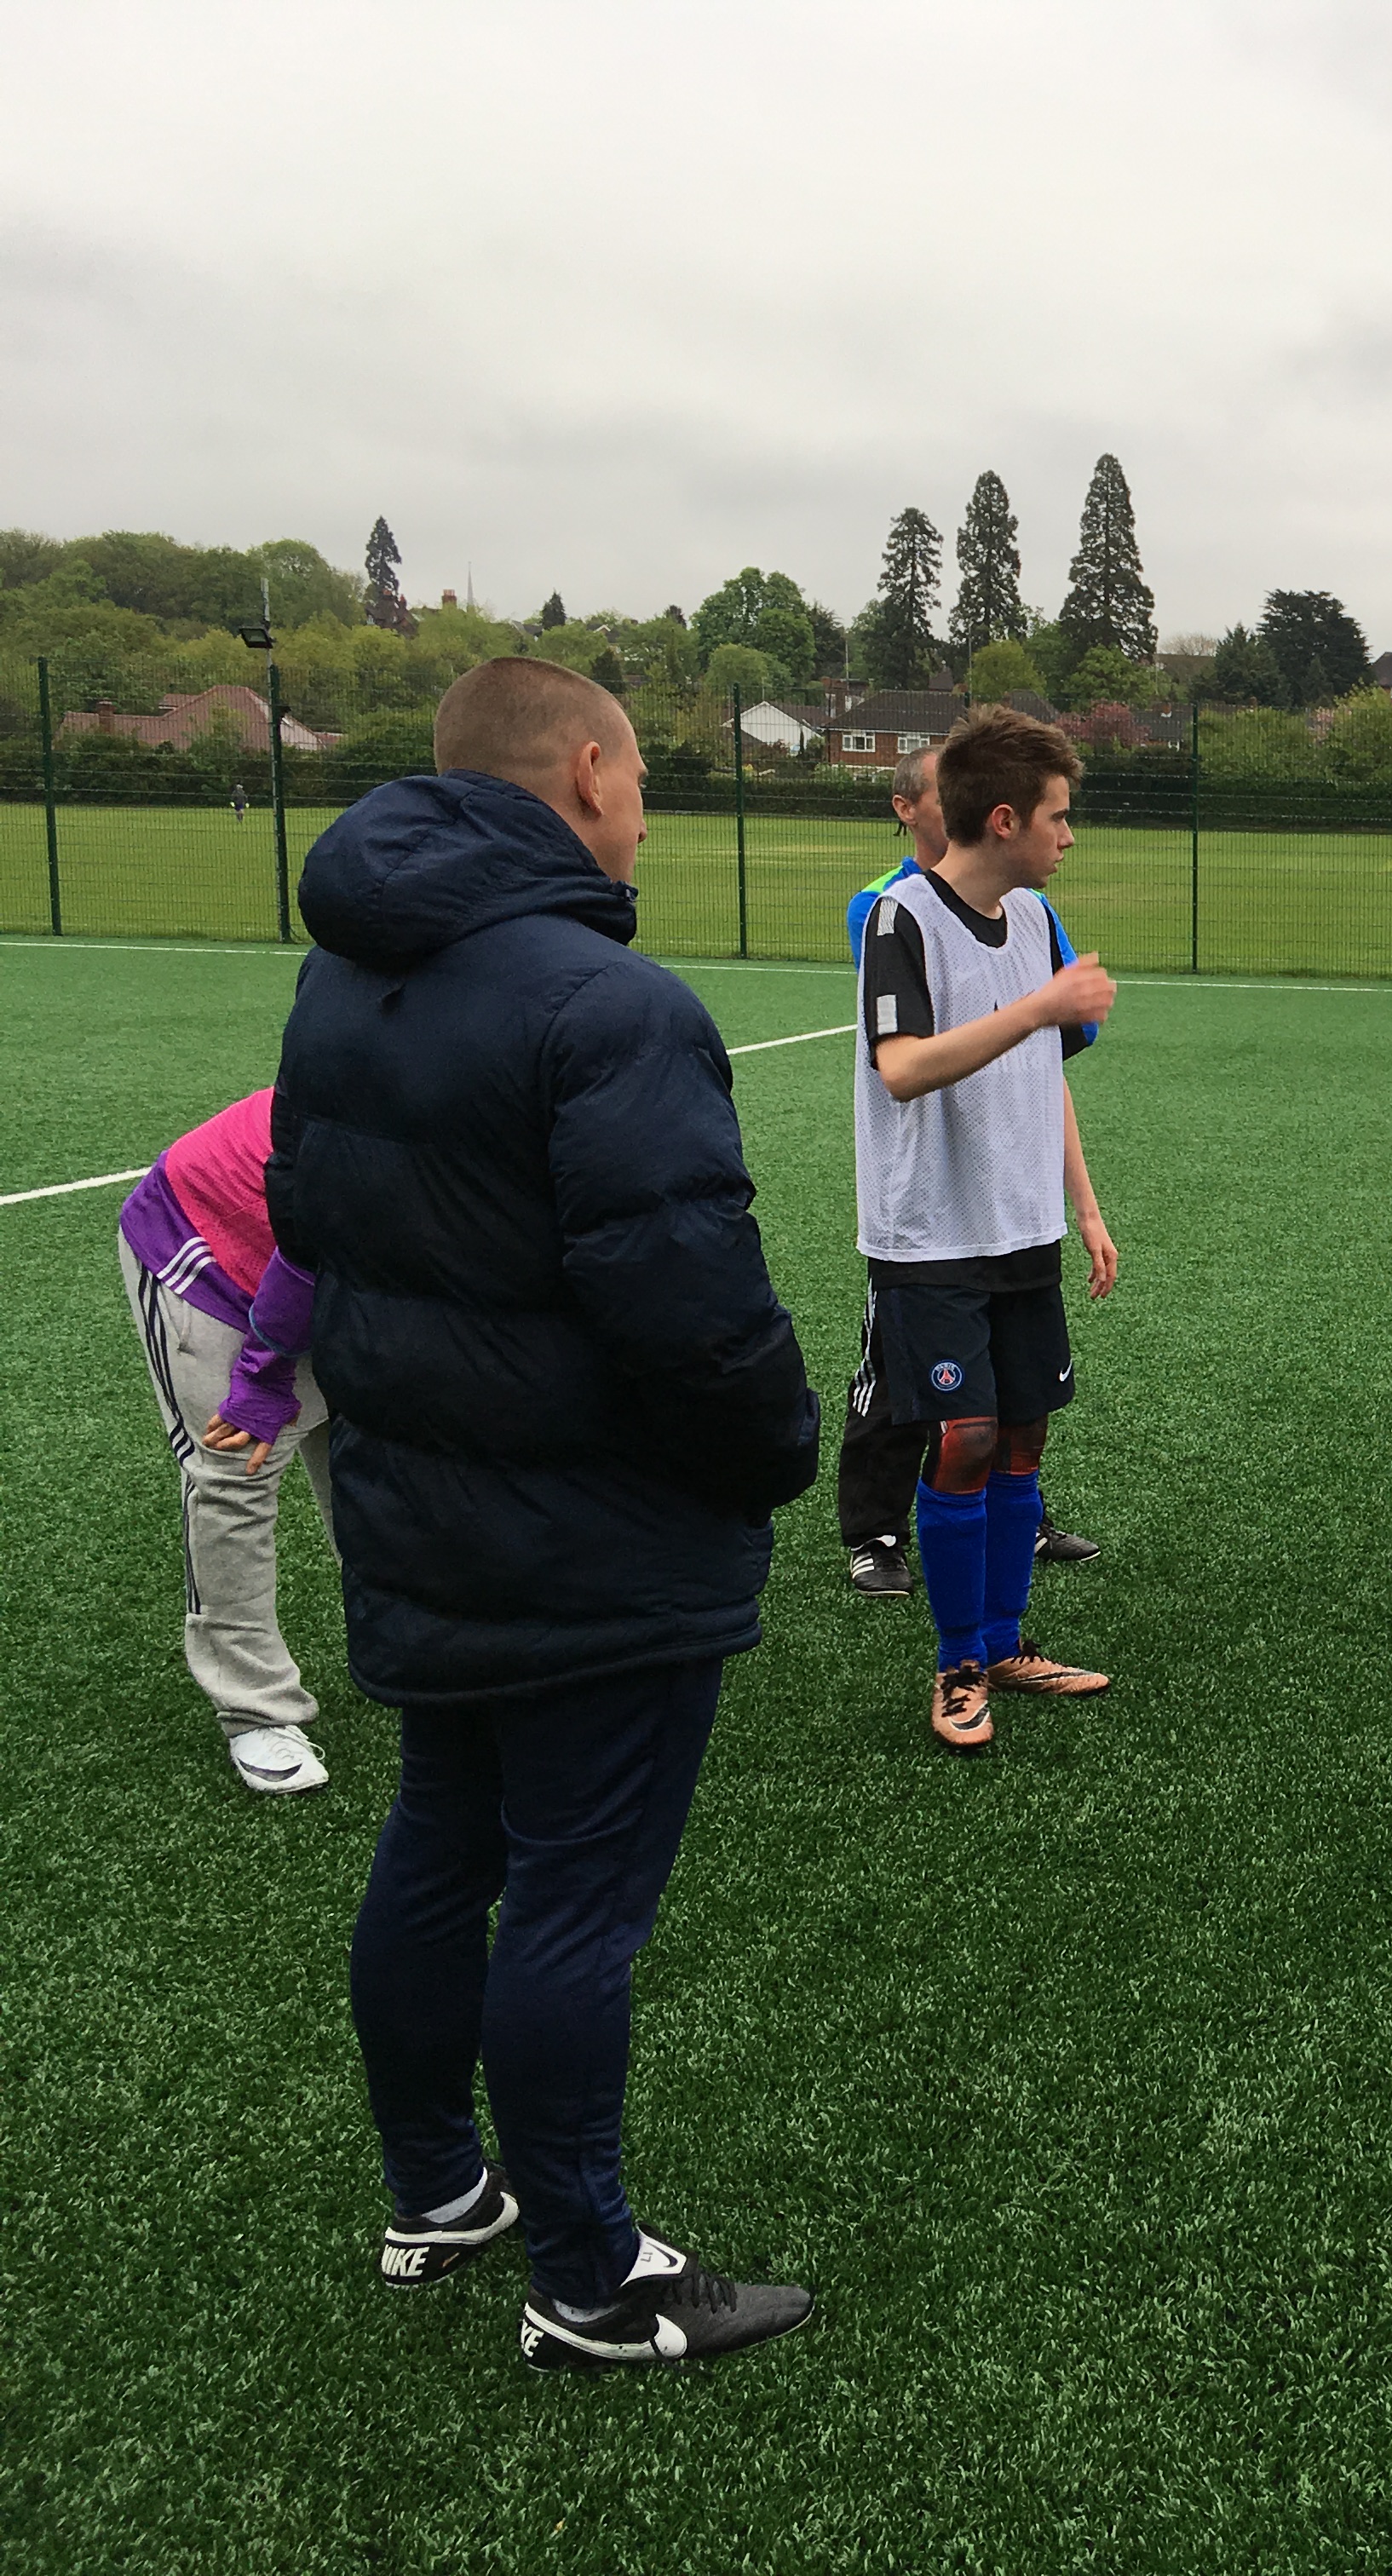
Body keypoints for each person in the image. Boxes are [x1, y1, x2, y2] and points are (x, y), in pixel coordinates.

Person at [268, 654, 821, 2369]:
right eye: (643, 782)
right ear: (586, 771)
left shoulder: (342, 979)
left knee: (443, 1843)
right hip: (594, 1544)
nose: (644, 816)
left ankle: (437, 2189)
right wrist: (775, 1454)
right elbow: (687, 1305)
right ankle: (591, 2280)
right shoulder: (608, 1005)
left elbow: (315, 1221)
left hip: (420, 1515)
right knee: (573, 1902)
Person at [854, 706, 1121, 1754]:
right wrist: (1038, 1009)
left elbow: (1043, 1073)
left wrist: (1087, 1209)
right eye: (1059, 817)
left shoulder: (1035, 923)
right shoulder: (900, 918)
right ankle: (957, 1664)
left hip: (1023, 1226)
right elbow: (904, 1068)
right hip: (929, 1237)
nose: (1069, 836)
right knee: (961, 1437)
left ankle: (1007, 1643)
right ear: (1003, 819)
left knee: (1023, 1434)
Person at [116, 1086, 336, 1793]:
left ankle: (410, 1637)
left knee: (383, 1456)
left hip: (331, 1262)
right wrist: (265, 1378)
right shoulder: (400, 1127)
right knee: (236, 1465)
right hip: (208, 1250)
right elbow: (306, 1251)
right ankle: (255, 1708)